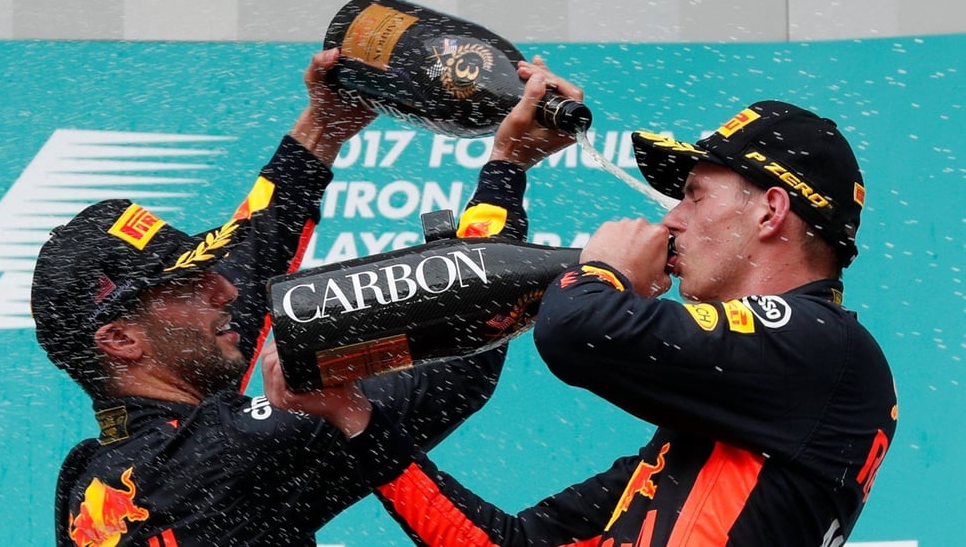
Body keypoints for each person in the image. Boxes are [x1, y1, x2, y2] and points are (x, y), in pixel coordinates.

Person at [30, 0, 584, 546]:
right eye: (189, 284)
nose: (223, 289)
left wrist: (324, 126)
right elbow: (458, 356)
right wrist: (507, 169)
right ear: (121, 339)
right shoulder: (223, 453)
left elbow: (250, 258)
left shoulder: (96, 477)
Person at [266, 100, 898, 546]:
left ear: (770, 211)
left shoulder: (826, 347)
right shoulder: (720, 427)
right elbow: (503, 543)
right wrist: (355, 416)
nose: (671, 219)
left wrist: (607, 272)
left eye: (694, 195)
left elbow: (577, 330)